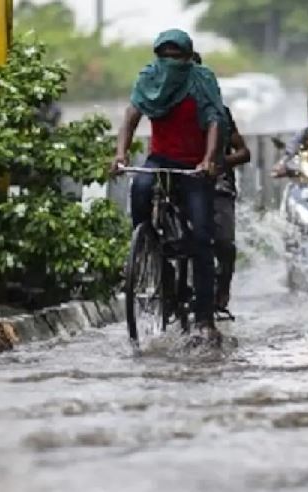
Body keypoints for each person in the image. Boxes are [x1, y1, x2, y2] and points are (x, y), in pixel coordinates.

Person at [111, 29, 227, 342]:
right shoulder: (149, 78)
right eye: (165, 57)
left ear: (189, 58)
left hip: (194, 166)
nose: (170, 62)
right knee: (141, 188)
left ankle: (205, 319)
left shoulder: (202, 79)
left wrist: (209, 159)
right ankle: (146, 249)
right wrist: (121, 154)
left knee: (202, 236)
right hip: (160, 159)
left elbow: (216, 120)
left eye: (177, 57)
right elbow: (131, 116)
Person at [192, 52, 251, 317]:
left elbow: (244, 152)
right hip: (182, 180)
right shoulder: (165, 108)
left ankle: (222, 287)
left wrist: (218, 162)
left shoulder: (220, 112)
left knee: (224, 242)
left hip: (217, 185)